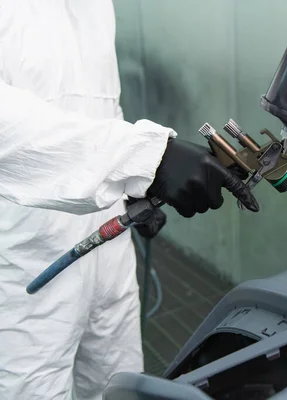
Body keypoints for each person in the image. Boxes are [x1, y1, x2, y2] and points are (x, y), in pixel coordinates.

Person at [0, 1, 258, 399]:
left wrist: (129, 189)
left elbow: (102, 106)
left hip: (108, 249)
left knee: (117, 379)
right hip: (24, 255)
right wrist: (141, 159)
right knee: (34, 385)